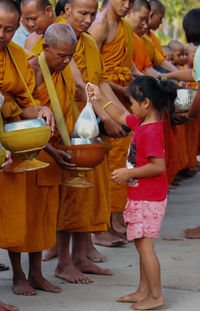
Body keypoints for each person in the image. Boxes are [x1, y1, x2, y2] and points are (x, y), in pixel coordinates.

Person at [88, 75, 176, 310]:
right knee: (140, 245)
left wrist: (128, 173)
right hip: (141, 195)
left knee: (145, 248)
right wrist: (97, 98)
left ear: (146, 103)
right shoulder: (142, 123)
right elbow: (117, 116)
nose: (130, 107)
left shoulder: (151, 131)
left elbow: (158, 166)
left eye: (133, 103)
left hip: (149, 197)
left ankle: (156, 295)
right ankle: (143, 290)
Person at [7, 22, 77, 296]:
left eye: (70, 55)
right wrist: (51, 150)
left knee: (42, 217)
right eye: (62, 56)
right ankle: (18, 274)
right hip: (25, 153)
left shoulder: (61, 72)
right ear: (45, 48)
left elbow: (61, 114)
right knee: (20, 216)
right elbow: (18, 115)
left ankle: (37, 274)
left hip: (50, 155)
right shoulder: (29, 70)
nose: (67, 61)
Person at [0, 0, 54, 307]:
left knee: (15, 213)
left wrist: (42, 109)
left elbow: (24, 105)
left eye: (9, 28)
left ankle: (24, 274)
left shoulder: (17, 55)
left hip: (12, 141)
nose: (3, 34)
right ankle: (18, 275)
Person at [89, 0, 136, 245]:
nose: (128, 5)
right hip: (104, 101)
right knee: (109, 164)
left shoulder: (125, 27)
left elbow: (128, 66)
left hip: (122, 100)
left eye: (133, 1)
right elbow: (95, 74)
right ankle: (104, 222)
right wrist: (124, 91)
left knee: (124, 159)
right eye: (124, 0)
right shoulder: (99, 26)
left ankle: (117, 218)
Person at [125, 0, 160, 78]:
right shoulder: (118, 34)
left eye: (147, 21)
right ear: (129, 12)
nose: (145, 26)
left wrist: (161, 79)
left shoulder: (139, 40)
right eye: (141, 19)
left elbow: (147, 68)